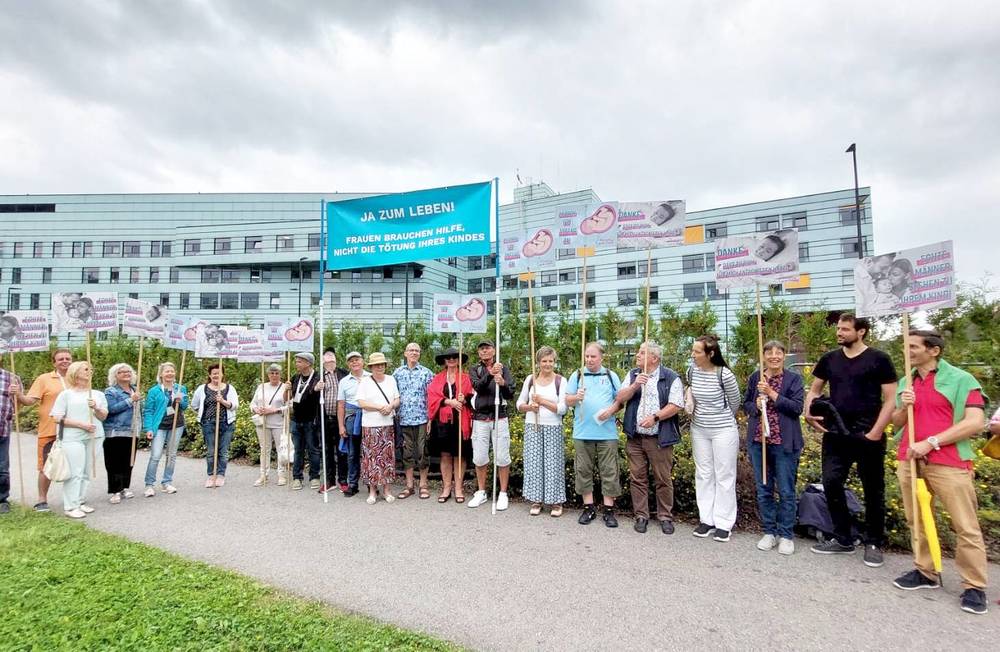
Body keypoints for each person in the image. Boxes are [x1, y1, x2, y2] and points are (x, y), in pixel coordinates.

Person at [889, 330, 989, 615]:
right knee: (917, 519)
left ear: (933, 350)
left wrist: (932, 442)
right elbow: (897, 421)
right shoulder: (906, 382)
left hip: (949, 461)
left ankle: (974, 585)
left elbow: (975, 421)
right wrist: (904, 406)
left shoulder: (961, 379)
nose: (907, 351)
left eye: (913, 346)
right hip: (911, 459)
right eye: (905, 346)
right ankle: (925, 570)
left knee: (965, 525)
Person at [805, 314, 897, 567]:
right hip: (836, 432)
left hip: (868, 433)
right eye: (838, 328)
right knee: (831, 482)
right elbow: (814, 389)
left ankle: (874, 542)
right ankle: (843, 537)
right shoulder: (830, 359)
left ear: (861, 331)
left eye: (845, 329)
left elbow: (891, 398)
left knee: (873, 489)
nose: (839, 333)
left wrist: (876, 431)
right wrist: (808, 411)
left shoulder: (879, 359)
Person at [742, 340, 805, 555]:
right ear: (764, 356)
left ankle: (786, 534)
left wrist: (771, 393)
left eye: (778, 353)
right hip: (759, 442)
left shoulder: (793, 379)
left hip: (784, 443)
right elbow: (746, 405)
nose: (774, 356)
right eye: (769, 353)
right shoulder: (756, 378)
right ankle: (769, 531)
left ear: (784, 356)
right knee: (764, 489)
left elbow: (796, 408)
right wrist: (756, 405)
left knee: (786, 490)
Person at [615, 341, 684, 535]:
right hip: (635, 437)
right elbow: (620, 397)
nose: (637, 355)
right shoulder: (633, 374)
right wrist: (636, 384)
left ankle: (665, 516)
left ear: (654, 358)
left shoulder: (670, 377)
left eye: (642, 353)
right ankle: (641, 515)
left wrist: (655, 417)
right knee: (638, 478)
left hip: (659, 437)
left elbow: (676, 404)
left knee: (663, 479)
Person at [687, 335, 742, 542]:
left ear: (710, 354)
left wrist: (721, 419)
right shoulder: (692, 371)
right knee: (703, 473)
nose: (693, 355)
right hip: (699, 429)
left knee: (724, 475)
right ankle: (706, 519)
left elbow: (735, 402)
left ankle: (724, 523)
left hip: (723, 430)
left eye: (697, 352)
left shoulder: (724, 374)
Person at [566, 342, 623, 528]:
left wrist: (611, 410)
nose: (589, 360)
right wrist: (576, 397)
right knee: (583, 470)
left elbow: (620, 400)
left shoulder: (610, 375)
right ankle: (588, 508)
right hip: (583, 432)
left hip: (607, 433)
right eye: (587, 356)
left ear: (601, 357)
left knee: (609, 471)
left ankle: (608, 510)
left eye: (593, 356)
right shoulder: (577, 375)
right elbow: (567, 400)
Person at [15, 348, 74, 511]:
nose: (65, 361)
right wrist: (18, 394)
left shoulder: (76, 378)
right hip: (50, 429)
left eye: (68, 358)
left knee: (74, 465)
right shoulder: (44, 379)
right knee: (46, 466)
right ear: (54, 363)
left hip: (74, 429)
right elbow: (29, 401)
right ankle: (42, 500)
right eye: (60, 359)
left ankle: (74, 499)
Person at [50, 361, 108, 518]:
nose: (90, 371)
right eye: (86, 369)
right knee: (75, 472)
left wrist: (96, 407)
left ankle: (80, 501)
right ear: (75, 372)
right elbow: (57, 417)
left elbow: (103, 416)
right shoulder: (66, 394)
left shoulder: (97, 394)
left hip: (95, 436)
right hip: (73, 437)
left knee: (86, 471)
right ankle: (71, 506)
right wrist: (81, 425)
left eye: (91, 369)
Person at [516, 346, 568, 517]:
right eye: (544, 361)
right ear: (538, 362)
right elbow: (519, 404)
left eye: (550, 361)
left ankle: (556, 502)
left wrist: (542, 401)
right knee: (534, 463)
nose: (547, 364)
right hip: (533, 425)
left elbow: (562, 408)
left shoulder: (561, 381)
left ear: (555, 362)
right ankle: (536, 500)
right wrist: (530, 407)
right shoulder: (531, 379)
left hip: (553, 427)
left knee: (553, 464)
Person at [468, 340, 515, 511]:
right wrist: (490, 373)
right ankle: (481, 491)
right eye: (481, 349)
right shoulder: (475, 369)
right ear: (478, 353)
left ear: (494, 350)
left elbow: (510, 393)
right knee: (480, 457)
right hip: (480, 418)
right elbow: (478, 387)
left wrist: (502, 383)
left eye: (487, 348)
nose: (485, 351)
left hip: (499, 416)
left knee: (502, 457)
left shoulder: (504, 368)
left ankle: (502, 493)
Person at [427, 347, 473, 503]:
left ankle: (458, 488)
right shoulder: (437, 378)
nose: (452, 359)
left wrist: (464, 399)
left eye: (454, 357)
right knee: (445, 455)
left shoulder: (465, 378)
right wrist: (448, 401)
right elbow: (432, 396)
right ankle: (446, 488)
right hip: (442, 422)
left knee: (460, 455)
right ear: (444, 361)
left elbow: (472, 397)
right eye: (448, 357)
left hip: (461, 420)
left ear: (459, 360)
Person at [356, 352, 400, 504]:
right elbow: (361, 402)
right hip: (370, 425)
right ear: (371, 367)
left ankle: (387, 490)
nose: (379, 367)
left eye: (382, 364)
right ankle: (373, 491)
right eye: (376, 365)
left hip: (387, 425)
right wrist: (379, 407)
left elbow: (397, 399)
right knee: (371, 459)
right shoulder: (365, 382)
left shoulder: (391, 379)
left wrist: (390, 406)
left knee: (387, 459)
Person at [392, 342, 434, 499]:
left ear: (420, 354)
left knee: (423, 452)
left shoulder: (426, 373)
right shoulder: (397, 373)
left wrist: (431, 418)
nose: (414, 353)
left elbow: (432, 397)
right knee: (407, 453)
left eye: (417, 350)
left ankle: (423, 485)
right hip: (403, 419)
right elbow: (392, 394)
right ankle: (409, 486)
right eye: (411, 350)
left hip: (422, 418)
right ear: (405, 353)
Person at [143, 362, 189, 496]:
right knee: (156, 455)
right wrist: (148, 428)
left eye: (172, 371)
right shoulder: (154, 391)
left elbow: (185, 406)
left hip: (176, 425)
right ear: (161, 374)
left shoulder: (181, 388)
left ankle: (167, 482)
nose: (170, 373)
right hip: (160, 426)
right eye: (167, 371)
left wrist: (181, 400)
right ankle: (149, 484)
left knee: (172, 455)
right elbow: (148, 410)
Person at [190, 363, 238, 488]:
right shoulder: (202, 388)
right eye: (214, 373)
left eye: (218, 373)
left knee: (223, 451)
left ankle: (221, 475)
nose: (216, 375)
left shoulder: (230, 388)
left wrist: (222, 401)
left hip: (226, 423)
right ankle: (211, 475)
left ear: (223, 374)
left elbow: (234, 406)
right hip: (208, 423)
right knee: (211, 451)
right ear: (210, 375)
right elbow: (194, 405)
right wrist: (203, 413)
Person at [103, 363, 140, 504]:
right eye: (122, 372)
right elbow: (111, 409)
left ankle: (124, 487)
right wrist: (131, 400)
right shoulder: (111, 391)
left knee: (128, 461)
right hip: (116, 431)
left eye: (128, 371)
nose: (126, 373)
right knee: (114, 463)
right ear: (115, 376)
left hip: (133, 431)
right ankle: (115, 490)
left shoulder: (135, 389)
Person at [286, 352, 322, 491]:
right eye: (296, 361)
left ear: (308, 363)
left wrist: (317, 389)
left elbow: (317, 396)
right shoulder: (295, 377)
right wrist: (286, 390)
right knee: (298, 450)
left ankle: (314, 476)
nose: (296, 364)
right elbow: (286, 398)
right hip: (296, 420)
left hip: (311, 420)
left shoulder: (318, 377)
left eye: (299, 361)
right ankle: (297, 477)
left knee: (313, 449)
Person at [336, 351, 370, 497]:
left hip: (369, 416)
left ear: (363, 361)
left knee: (369, 452)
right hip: (351, 418)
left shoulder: (371, 377)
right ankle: (353, 484)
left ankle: (371, 484)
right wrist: (341, 426)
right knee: (352, 453)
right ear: (348, 364)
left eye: (357, 359)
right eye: (351, 361)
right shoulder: (344, 381)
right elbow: (341, 405)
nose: (354, 362)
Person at [251, 363, 289, 486]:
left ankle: (281, 474)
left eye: (277, 373)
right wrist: (256, 409)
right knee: (264, 449)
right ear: (268, 374)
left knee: (280, 449)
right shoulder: (261, 387)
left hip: (278, 423)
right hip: (262, 423)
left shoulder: (285, 387)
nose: (274, 375)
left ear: (280, 374)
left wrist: (274, 410)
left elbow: (289, 406)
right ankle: (263, 475)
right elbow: (253, 403)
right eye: (272, 373)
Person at [317, 349, 348, 493]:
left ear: (336, 360)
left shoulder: (343, 374)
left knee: (342, 450)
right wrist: (316, 388)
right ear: (323, 362)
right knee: (327, 450)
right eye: (327, 360)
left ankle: (343, 480)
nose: (330, 362)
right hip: (325, 418)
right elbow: (310, 393)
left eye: (332, 360)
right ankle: (329, 480)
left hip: (340, 419)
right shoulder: (319, 376)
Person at [0, 365, 23, 515]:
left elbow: (18, 406)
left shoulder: (12, 378)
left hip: (2, 430)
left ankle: (2, 500)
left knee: (2, 468)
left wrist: (16, 395)